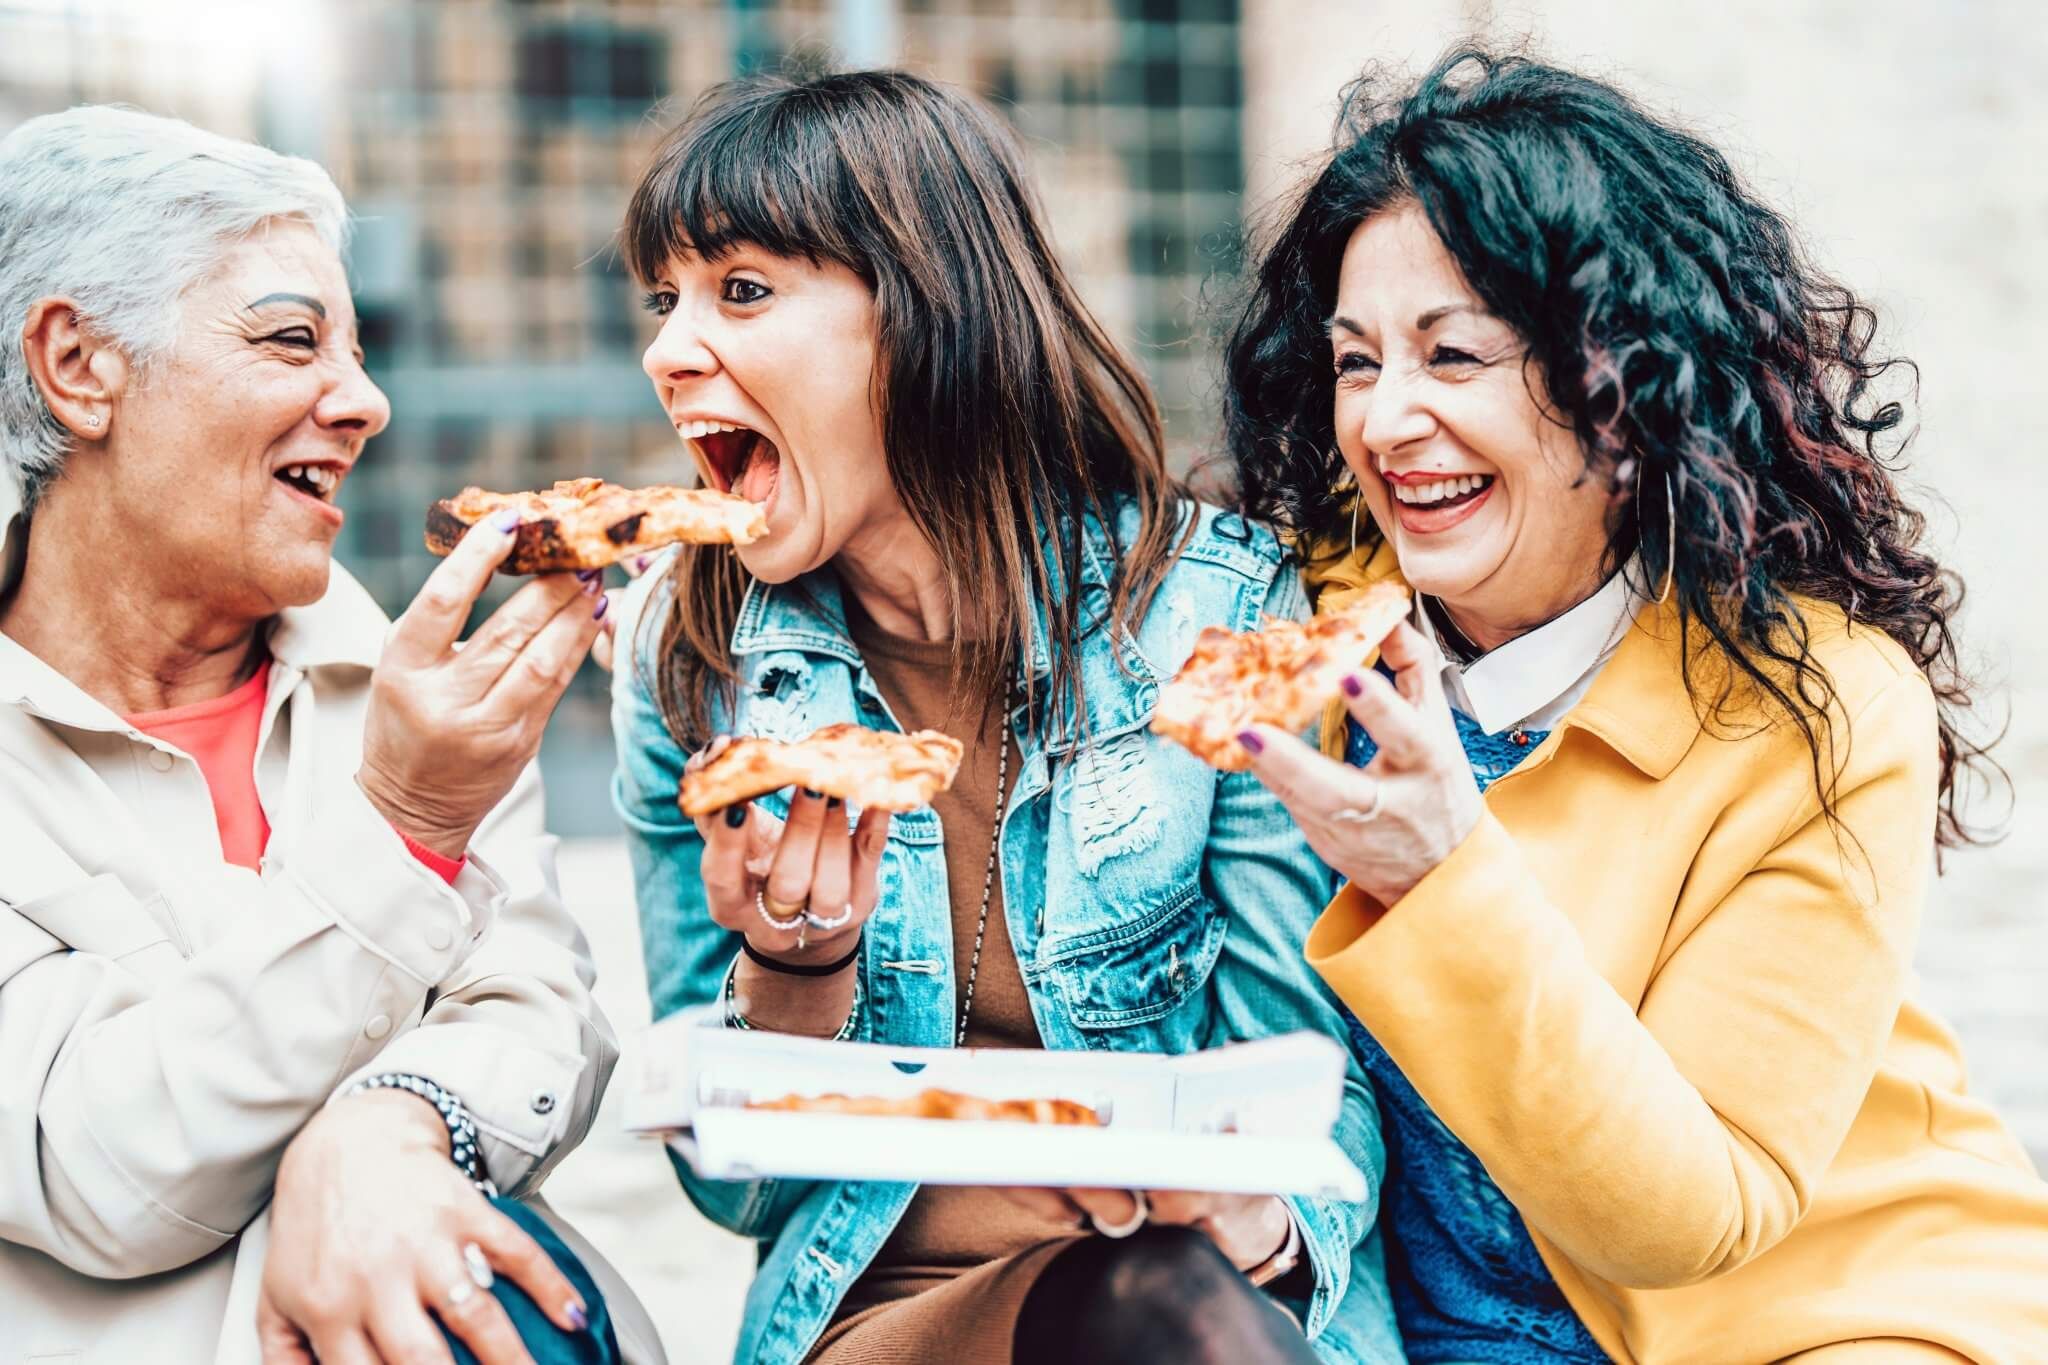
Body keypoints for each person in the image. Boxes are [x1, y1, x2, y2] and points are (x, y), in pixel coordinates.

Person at [1222, 47, 2048, 1363]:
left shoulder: (1821, 704)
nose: (1389, 419)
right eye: (1357, 362)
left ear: (1622, 394)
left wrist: (1446, 869)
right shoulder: (1297, 665)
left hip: (1835, 1325)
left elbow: (1687, 1217)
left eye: (1456, 355)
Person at [610, 70, 1401, 1365]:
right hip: (886, 1315)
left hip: (1214, 1299)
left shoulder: (1225, 619)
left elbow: (1307, 1077)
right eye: (667, 298)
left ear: (926, 316)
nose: (668, 349)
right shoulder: (690, 663)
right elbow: (731, 1187)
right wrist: (796, 972)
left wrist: (1251, 1216)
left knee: (1160, 1294)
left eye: (740, 291)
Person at [0, 107, 658, 1365]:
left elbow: (541, 1024)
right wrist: (403, 833)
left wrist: (393, 1123)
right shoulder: (422, 748)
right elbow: (91, 1163)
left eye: (355, 351)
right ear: (80, 366)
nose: (362, 403)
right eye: (292, 341)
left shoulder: (403, 689)